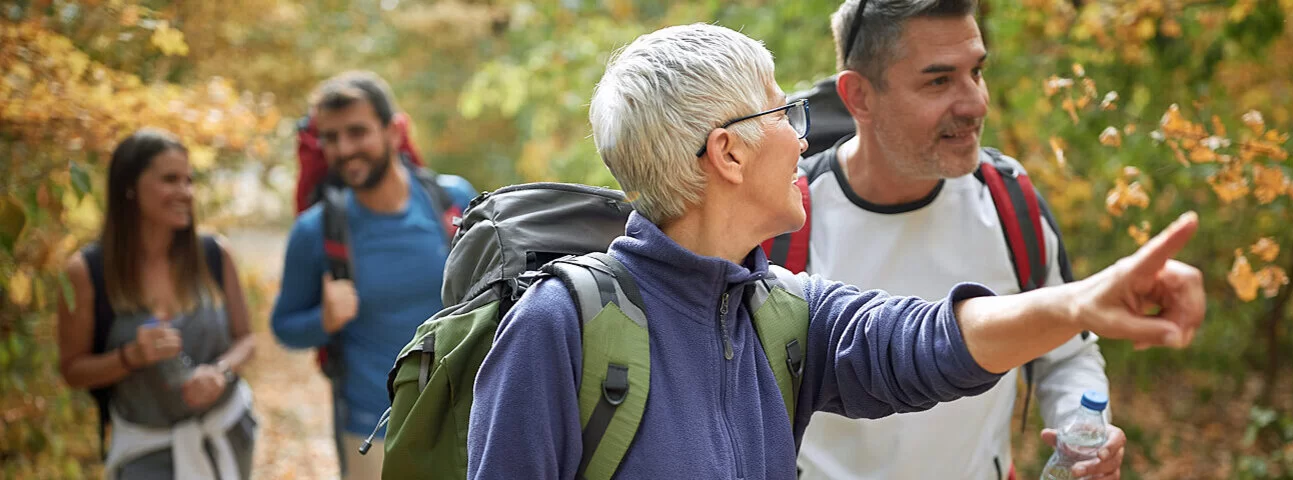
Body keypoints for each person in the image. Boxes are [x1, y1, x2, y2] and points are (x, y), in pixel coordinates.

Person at [465, 23, 1204, 478]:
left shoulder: (782, 312)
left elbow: (929, 342)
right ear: (726, 152)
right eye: (782, 109)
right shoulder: (557, 329)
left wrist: (1082, 302)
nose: (802, 131)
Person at [790, 1, 1123, 479]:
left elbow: (1066, 353)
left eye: (977, 72)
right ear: (859, 96)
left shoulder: (1010, 204)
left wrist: (1083, 428)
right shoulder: (786, 221)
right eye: (939, 81)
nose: (975, 103)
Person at [270, 71, 478, 480]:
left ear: (394, 131)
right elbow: (284, 327)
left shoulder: (452, 201)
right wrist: (323, 321)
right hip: (370, 429)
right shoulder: (317, 231)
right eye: (330, 137)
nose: (344, 149)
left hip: (460, 416)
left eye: (357, 132)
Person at [58, 128, 258, 479]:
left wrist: (220, 372)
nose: (186, 192)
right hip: (144, 452)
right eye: (170, 180)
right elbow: (72, 370)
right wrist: (129, 357)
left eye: (189, 181)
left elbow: (247, 340)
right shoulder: (86, 271)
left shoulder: (213, 254)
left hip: (227, 438)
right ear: (129, 187)